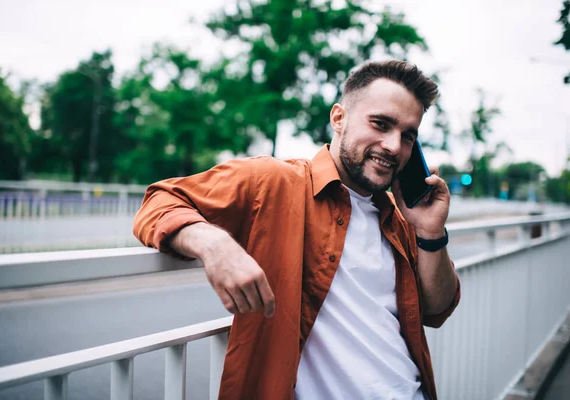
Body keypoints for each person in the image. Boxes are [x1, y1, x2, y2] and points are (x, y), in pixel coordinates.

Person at [133, 60, 461, 400]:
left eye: (408, 135)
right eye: (381, 124)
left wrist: (432, 231)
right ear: (339, 118)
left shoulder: (399, 217)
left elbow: (437, 310)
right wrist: (214, 245)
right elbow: (159, 201)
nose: (394, 146)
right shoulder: (274, 181)